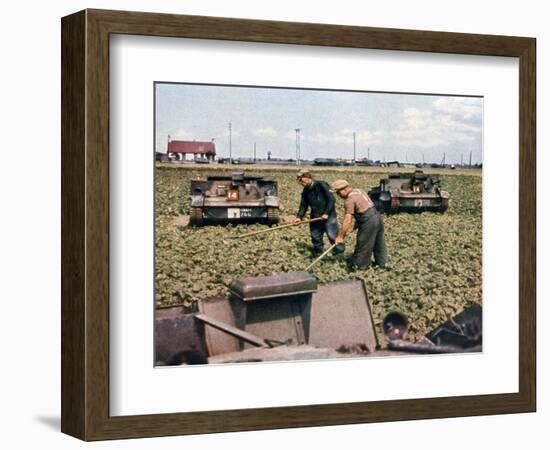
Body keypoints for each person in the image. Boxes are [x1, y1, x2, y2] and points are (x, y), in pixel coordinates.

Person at [332, 179, 387, 269]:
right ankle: (382, 263)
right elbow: (363, 207)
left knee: (363, 243)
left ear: (344, 189)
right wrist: (358, 223)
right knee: (378, 242)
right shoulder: (359, 191)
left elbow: (348, 219)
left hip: (368, 220)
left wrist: (340, 236)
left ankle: (360, 267)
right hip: (377, 216)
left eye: (338, 193)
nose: (339, 196)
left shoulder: (349, 200)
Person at [294, 169, 345, 256]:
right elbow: (303, 205)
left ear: (307, 177)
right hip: (315, 216)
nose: (300, 182)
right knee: (315, 236)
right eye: (299, 181)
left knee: (333, 235)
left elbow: (331, 199)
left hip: (329, 216)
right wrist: (299, 217)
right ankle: (318, 253)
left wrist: (326, 213)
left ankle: (339, 254)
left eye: (301, 180)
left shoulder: (321, 185)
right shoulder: (305, 191)